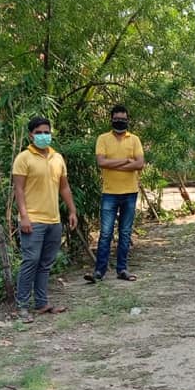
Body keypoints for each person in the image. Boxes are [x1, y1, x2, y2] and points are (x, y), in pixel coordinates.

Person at [12, 116, 78, 320]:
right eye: (38, 133)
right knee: (31, 260)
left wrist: (72, 210)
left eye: (46, 132)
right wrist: (24, 216)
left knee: (46, 263)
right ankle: (22, 306)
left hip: (53, 219)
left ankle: (42, 303)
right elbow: (18, 190)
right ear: (30, 135)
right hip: (33, 219)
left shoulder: (57, 158)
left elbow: (64, 187)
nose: (43, 136)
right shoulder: (23, 158)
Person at [84, 105, 145, 283]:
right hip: (109, 193)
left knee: (125, 233)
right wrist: (126, 161)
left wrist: (114, 164)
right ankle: (99, 272)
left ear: (128, 120)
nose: (120, 122)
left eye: (123, 119)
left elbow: (139, 164)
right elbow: (101, 162)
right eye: (117, 119)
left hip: (130, 193)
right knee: (105, 233)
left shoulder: (134, 139)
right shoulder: (103, 139)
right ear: (111, 119)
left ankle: (122, 269)